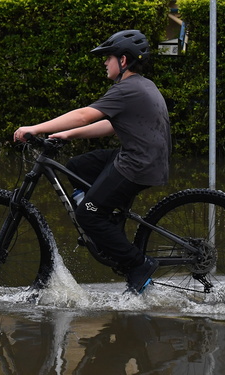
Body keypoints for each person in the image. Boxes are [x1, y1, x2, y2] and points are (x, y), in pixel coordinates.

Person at [13, 30, 171, 294]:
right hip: (141, 157)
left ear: (123, 61)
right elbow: (110, 124)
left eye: (108, 57)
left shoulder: (127, 88)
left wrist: (35, 128)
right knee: (77, 166)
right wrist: (67, 133)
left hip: (136, 163)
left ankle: (138, 263)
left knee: (87, 215)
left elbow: (85, 115)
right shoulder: (141, 85)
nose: (104, 62)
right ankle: (105, 223)